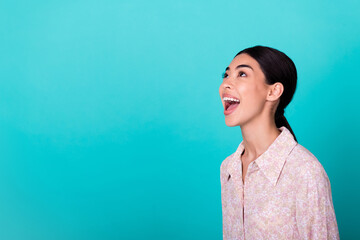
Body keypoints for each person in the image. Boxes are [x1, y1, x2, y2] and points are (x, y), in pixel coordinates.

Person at [219, 45, 339, 239]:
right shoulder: (228, 169)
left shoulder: (305, 172)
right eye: (225, 75)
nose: (226, 84)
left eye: (242, 74)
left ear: (273, 91)